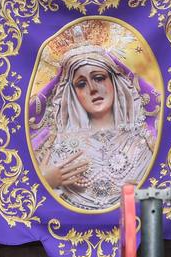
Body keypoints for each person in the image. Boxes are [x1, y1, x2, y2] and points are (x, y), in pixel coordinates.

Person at [29, 44, 160, 211]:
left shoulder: (146, 142)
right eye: (81, 84)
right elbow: (27, 202)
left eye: (99, 78)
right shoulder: (54, 147)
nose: (92, 89)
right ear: (71, 92)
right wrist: (46, 181)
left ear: (115, 81)